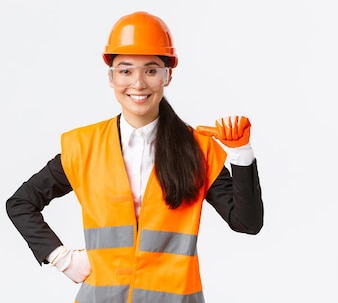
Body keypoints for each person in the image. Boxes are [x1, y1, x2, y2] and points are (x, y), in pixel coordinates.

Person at [6, 11, 263, 303]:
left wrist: (241, 154)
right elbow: (20, 203)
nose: (138, 83)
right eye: (126, 70)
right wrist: (62, 258)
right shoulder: (83, 146)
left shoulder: (197, 149)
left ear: (168, 76)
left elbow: (247, 223)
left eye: (151, 70)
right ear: (111, 77)